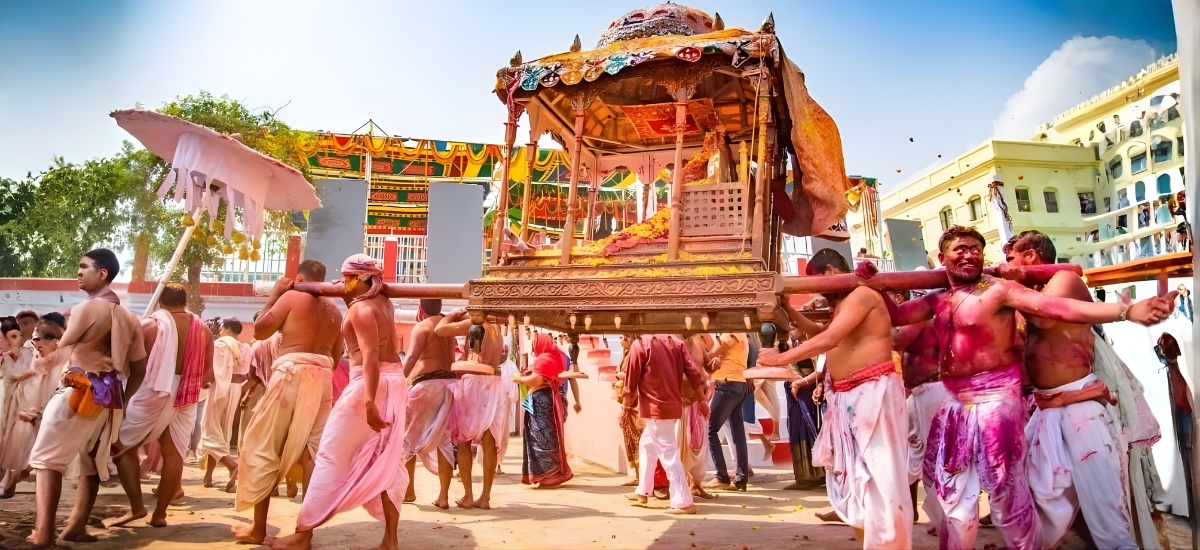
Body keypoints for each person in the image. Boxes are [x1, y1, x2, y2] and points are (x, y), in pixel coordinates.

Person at [886, 226, 1175, 550]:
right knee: (1019, 506)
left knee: (1088, 516)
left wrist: (1126, 311)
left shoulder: (1026, 287)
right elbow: (896, 317)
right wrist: (873, 284)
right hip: (1007, 409)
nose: (971, 255)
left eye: (977, 249)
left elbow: (1057, 312)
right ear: (943, 258)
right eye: (960, 249)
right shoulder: (948, 299)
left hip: (1043, 409)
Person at [758, 250, 911, 549]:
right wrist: (789, 310)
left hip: (872, 392)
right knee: (855, 483)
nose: (820, 294)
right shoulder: (844, 305)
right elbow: (821, 333)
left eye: (818, 284)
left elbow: (828, 340)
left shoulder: (863, 295)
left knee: (882, 480)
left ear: (831, 271)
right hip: (849, 398)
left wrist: (781, 358)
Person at [1006, 230, 1145, 548]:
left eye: (1010, 255)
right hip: (1047, 408)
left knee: (1104, 508)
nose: (1005, 263)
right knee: (1035, 491)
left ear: (1030, 256)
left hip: (1080, 410)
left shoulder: (1064, 279)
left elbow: (1045, 318)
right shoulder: (1032, 291)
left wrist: (1007, 287)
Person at [269, 255, 408, 550]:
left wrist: (369, 402)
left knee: (329, 456)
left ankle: (303, 535)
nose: (343, 283)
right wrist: (348, 298)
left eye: (347, 278)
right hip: (396, 382)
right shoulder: (384, 304)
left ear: (361, 279)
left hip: (369, 385)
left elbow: (369, 356)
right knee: (388, 460)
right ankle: (390, 541)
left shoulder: (362, 310)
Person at [27, 249, 147, 546]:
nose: (78, 272)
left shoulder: (87, 309)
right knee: (92, 464)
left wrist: (39, 360)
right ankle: (75, 528)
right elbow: (139, 369)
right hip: (107, 401)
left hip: (77, 392)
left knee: (46, 462)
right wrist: (123, 399)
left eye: (83, 267)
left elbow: (61, 351)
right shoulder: (130, 318)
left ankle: (43, 533)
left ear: (102, 273)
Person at [234, 260, 344, 545]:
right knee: (312, 456)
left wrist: (275, 294)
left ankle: (259, 528)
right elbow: (334, 354)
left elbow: (259, 332)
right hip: (322, 374)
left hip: (292, 370)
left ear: (299, 278)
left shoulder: (292, 297)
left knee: (262, 446)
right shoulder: (335, 311)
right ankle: (304, 535)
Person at [107, 283, 212, 528]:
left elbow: (124, 363)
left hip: (152, 391)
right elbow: (208, 373)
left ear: (160, 302)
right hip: (187, 395)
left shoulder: (150, 325)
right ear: (185, 302)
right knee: (174, 454)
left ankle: (136, 508)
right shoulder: (203, 329)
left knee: (121, 447)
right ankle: (160, 515)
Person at [622, 334, 707, 514]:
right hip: (671, 407)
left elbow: (630, 383)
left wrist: (626, 406)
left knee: (668, 455)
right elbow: (693, 373)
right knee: (647, 446)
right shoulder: (676, 343)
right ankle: (643, 492)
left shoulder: (640, 345)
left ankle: (684, 502)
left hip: (655, 409)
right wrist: (702, 401)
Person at [436, 309, 508, 509]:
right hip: (494, 383)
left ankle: (468, 495)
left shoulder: (474, 323)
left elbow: (439, 330)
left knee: (464, 439)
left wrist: (453, 315)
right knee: (489, 439)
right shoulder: (498, 328)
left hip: (474, 382)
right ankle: (485, 497)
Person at [890, 309, 950, 527]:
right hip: (918, 393)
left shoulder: (921, 316)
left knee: (935, 458)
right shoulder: (915, 319)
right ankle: (911, 510)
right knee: (914, 454)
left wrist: (874, 321)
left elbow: (896, 341)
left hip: (932, 391)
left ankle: (946, 519)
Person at [0, 314, 65, 499]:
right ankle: (10, 483)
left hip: (46, 411)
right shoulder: (30, 351)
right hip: (29, 408)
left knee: (36, 453)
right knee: (21, 449)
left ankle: (14, 483)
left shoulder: (60, 357)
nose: (38, 341)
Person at [401, 299, 456, 509]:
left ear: (420, 308)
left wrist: (399, 381)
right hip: (449, 385)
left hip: (426, 386)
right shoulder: (448, 326)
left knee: (409, 439)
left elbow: (412, 357)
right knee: (444, 440)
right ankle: (443, 496)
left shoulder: (422, 327)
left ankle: (408, 491)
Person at [514, 333, 573, 488]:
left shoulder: (544, 359)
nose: (534, 346)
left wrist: (519, 378)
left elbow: (537, 379)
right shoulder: (555, 357)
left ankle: (548, 476)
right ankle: (553, 474)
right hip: (550, 400)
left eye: (535, 343)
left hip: (542, 403)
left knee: (541, 439)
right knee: (549, 438)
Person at [200, 319, 245, 491]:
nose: (220, 330)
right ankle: (208, 476)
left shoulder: (220, 344)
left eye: (221, 327)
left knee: (209, 431)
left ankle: (231, 464)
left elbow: (214, 369)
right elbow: (242, 371)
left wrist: (205, 383)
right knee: (221, 431)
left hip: (220, 387)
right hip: (235, 388)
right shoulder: (244, 347)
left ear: (227, 328)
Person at [702, 333, 750, 492]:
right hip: (739, 384)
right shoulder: (741, 333)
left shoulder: (730, 332)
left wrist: (696, 345)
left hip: (727, 384)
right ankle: (741, 478)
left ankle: (721, 476)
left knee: (710, 429)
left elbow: (710, 355)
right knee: (738, 434)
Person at [0, 316, 36, 497]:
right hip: (6, 396)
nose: (17, 340)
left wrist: (10, 357)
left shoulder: (27, 352)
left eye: (17, 335)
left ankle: (8, 484)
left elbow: (19, 374)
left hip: (18, 399)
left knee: (11, 441)